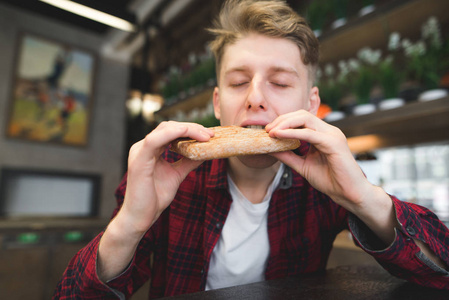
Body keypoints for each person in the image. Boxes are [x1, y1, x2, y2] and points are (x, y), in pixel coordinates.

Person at [53, 0, 449, 298]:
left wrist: (364, 198)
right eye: (239, 81)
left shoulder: (326, 178)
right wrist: (129, 225)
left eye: (279, 82)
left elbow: (439, 273)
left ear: (311, 105)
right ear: (217, 103)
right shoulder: (164, 173)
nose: (256, 98)